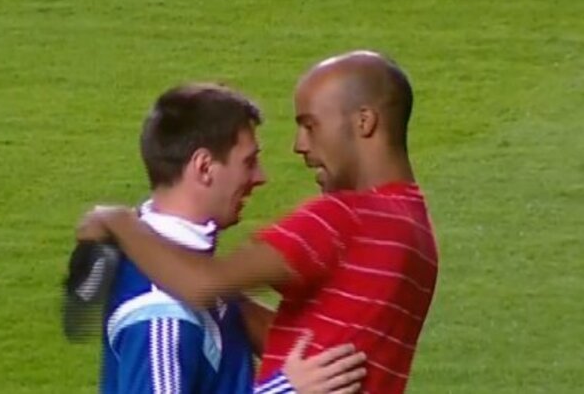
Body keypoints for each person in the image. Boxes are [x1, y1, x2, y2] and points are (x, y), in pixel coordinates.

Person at [79, 51, 440, 393]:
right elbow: (320, 343)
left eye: (310, 125)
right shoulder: (413, 227)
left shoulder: (342, 220)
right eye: (250, 162)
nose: (299, 145)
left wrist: (116, 221)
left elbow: (203, 286)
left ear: (364, 121)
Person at [94, 83, 367, 393]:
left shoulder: (172, 256)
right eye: (249, 163)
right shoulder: (161, 317)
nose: (260, 177)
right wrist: (286, 391)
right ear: (205, 167)